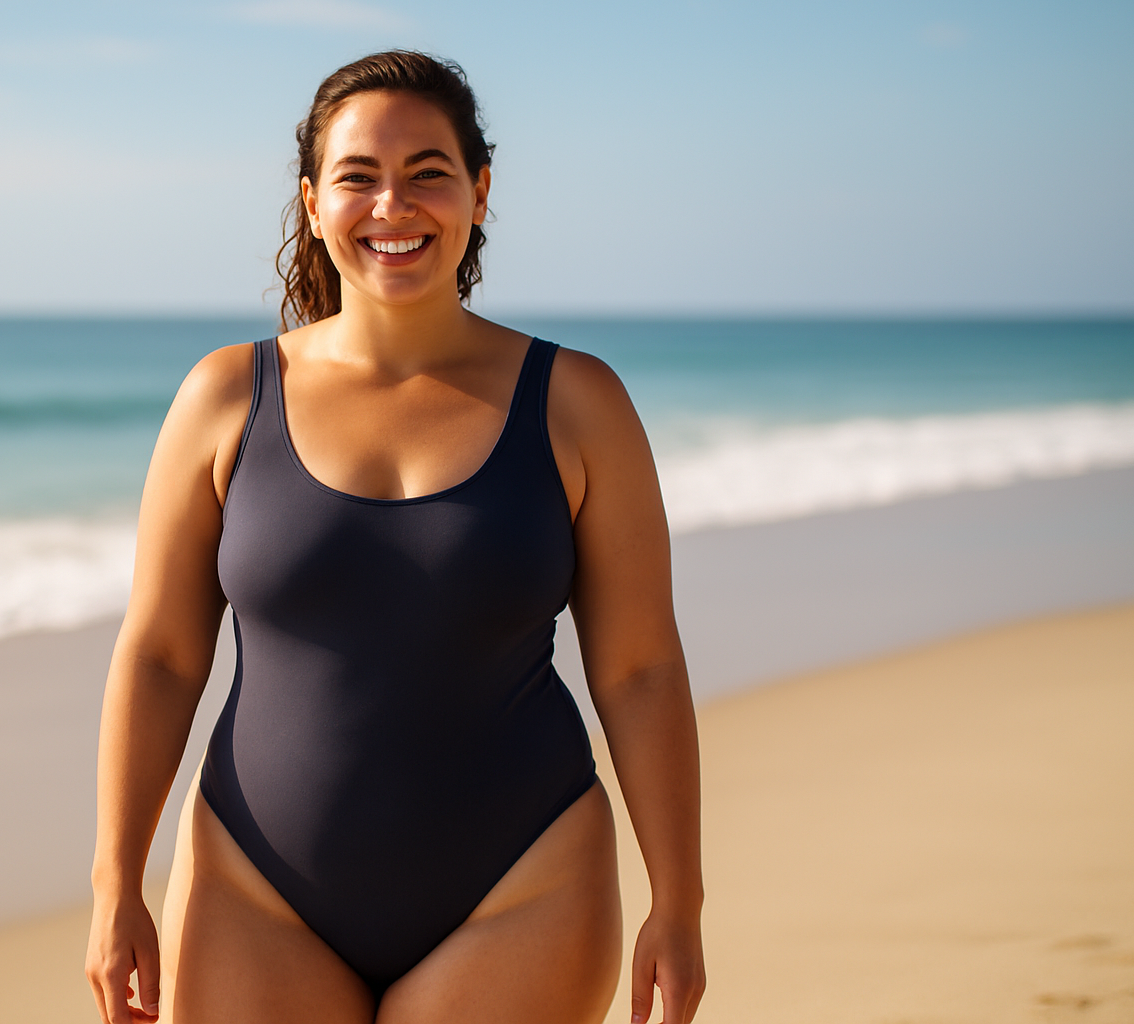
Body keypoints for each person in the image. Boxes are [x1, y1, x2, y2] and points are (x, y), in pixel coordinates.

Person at [85, 50, 705, 1024]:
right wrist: (113, 881)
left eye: (428, 174)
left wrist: (680, 898)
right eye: (358, 177)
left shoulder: (578, 402)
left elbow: (639, 668)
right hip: (255, 891)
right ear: (312, 201)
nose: (393, 206)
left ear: (479, 192)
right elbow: (161, 653)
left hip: (523, 884)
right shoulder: (224, 398)